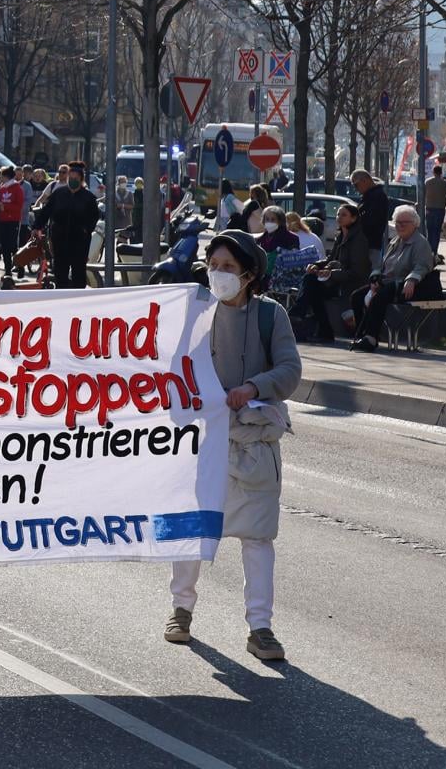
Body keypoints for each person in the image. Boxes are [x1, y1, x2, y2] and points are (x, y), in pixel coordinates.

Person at [164, 229, 300, 663]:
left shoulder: (270, 316)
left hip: (253, 445)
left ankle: (260, 628)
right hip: (202, 442)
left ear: (248, 275)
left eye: (228, 268)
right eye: (213, 266)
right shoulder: (195, 312)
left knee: (257, 538)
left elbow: (289, 369)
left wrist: (253, 386)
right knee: (190, 531)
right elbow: (172, 366)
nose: (218, 275)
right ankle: (181, 610)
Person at [349, 204, 437, 352]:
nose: (400, 226)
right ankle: (362, 334)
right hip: (387, 283)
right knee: (357, 296)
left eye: (404, 223)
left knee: (380, 297)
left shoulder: (420, 243)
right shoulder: (395, 241)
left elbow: (422, 266)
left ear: (414, 224)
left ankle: (371, 338)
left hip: (405, 285)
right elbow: (382, 264)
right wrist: (375, 277)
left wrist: (412, 280)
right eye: (397, 222)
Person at [293, 203, 369, 344]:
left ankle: (298, 314)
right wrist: (316, 265)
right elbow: (331, 259)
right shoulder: (341, 236)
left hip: (350, 284)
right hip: (335, 279)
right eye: (338, 214)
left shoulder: (359, 239)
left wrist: (330, 274)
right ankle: (321, 329)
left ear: (353, 218)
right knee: (312, 283)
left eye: (344, 215)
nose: (339, 217)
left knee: (312, 284)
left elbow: (357, 271)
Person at [37, 161, 100, 289]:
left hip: (79, 241)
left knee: (78, 273)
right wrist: (37, 226)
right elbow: (46, 211)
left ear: (81, 179)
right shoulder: (59, 194)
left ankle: (77, 301)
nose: (72, 181)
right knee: (60, 272)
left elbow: (94, 217)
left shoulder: (88, 197)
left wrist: (85, 230)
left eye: (75, 179)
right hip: (60, 239)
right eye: (70, 178)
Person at [351, 169, 393, 273]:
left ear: (365, 180)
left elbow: (371, 221)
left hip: (370, 244)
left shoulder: (377, 197)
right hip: (366, 244)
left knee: (370, 274)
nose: (355, 189)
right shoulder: (369, 196)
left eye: (356, 185)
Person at [0, 166, 26, 271]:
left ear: (6, 176)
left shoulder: (17, 188)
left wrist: (5, 206)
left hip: (13, 221)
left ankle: (20, 266)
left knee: (12, 246)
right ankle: (8, 270)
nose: (0, 179)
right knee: (4, 247)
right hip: (2, 220)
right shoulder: (2, 188)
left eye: (2, 176)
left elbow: (19, 206)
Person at [422, 165, 446, 253]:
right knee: (437, 231)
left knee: (429, 230)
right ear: (441, 172)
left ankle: (429, 250)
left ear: (433, 172)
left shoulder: (427, 182)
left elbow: (422, 195)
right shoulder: (445, 183)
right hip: (440, 209)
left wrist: (423, 206)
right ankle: (434, 250)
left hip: (429, 209)